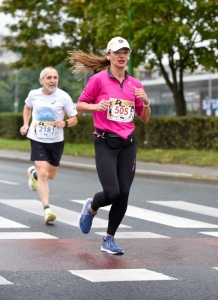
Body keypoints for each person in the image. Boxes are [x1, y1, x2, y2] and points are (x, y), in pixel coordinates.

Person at [68, 37, 151, 255]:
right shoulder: (98, 80)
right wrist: (97, 106)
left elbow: (144, 118)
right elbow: (80, 105)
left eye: (125, 52)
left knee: (124, 193)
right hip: (105, 142)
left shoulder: (136, 85)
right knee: (112, 192)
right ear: (109, 55)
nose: (122, 56)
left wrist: (146, 102)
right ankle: (91, 208)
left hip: (128, 144)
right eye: (117, 52)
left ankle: (108, 239)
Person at [20, 66, 78, 224]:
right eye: (49, 78)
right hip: (37, 138)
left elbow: (74, 118)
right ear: (41, 80)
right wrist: (26, 124)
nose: (52, 81)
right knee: (44, 173)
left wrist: (64, 123)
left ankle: (34, 174)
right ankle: (47, 209)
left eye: (55, 78)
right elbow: (27, 107)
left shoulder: (64, 97)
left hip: (56, 140)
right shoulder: (33, 94)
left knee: (50, 175)